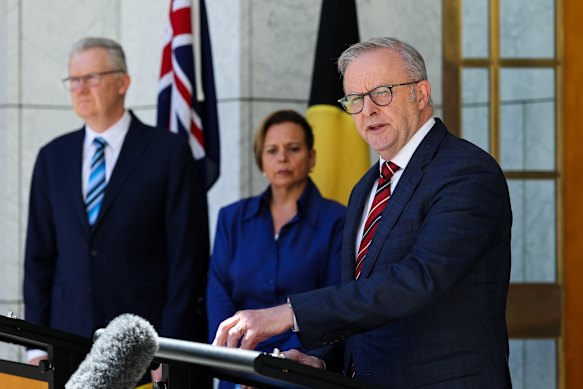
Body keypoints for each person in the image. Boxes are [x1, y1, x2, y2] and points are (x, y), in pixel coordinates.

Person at [212, 37, 512, 388]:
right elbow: (361, 301)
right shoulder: (365, 187)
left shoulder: (466, 172)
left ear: (421, 93)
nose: (367, 110)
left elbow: (418, 280)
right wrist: (317, 364)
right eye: (355, 99)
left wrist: (290, 313)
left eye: (381, 92)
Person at [23, 37, 208, 380]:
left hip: (142, 349)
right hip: (66, 344)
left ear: (123, 82)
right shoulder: (52, 158)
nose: (79, 88)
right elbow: (38, 261)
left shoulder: (168, 153)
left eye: (90, 78)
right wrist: (35, 346)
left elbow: (188, 262)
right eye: (73, 80)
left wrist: (165, 350)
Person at [207, 110, 346, 389]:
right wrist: (239, 363)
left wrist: (286, 363)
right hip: (238, 370)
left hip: (302, 371)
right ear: (261, 161)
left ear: (312, 158)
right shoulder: (231, 219)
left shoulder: (338, 220)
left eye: (293, 149)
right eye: (272, 150)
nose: (282, 158)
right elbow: (219, 298)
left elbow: (337, 301)